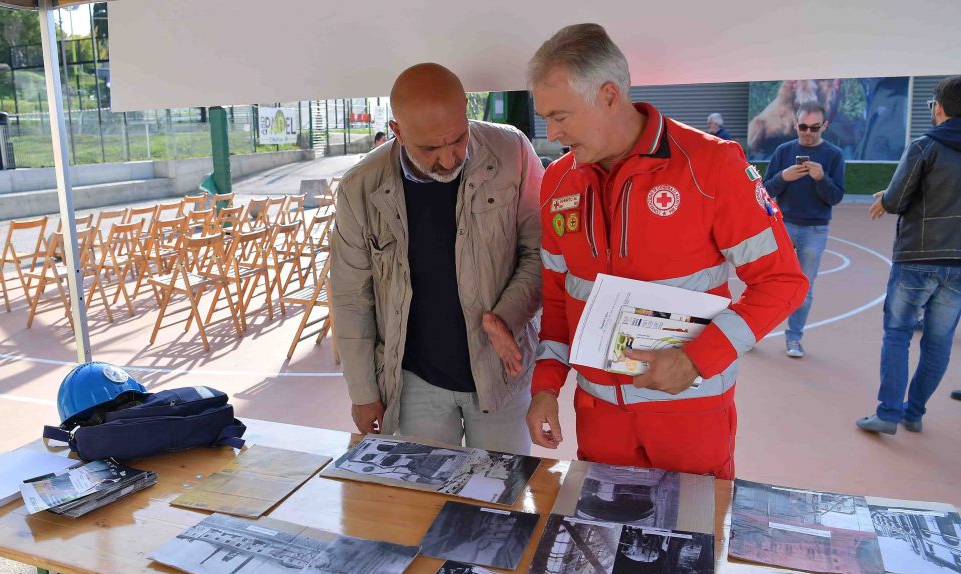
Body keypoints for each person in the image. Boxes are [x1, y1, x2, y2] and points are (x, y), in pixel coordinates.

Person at [525, 24, 807, 478]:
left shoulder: (711, 164)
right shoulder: (558, 181)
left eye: (560, 116)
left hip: (689, 418)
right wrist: (545, 388)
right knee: (599, 524)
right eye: (546, 118)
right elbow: (559, 300)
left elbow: (782, 282)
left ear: (609, 96)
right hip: (599, 421)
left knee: (695, 525)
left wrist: (698, 359)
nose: (552, 132)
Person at [330, 63, 544, 454]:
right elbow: (350, 297)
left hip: (502, 373)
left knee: (502, 487)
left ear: (467, 110)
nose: (448, 160)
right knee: (424, 489)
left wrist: (504, 319)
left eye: (459, 139)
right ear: (397, 131)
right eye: (429, 149)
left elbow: (540, 251)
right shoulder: (360, 188)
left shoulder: (512, 151)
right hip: (415, 381)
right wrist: (363, 392)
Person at [857, 76, 961, 435]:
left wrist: (886, 199)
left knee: (898, 333)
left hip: (918, 255)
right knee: (939, 342)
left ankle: (888, 414)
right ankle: (914, 412)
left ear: (939, 107)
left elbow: (898, 199)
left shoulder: (924, 146)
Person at [762, 101, 846, 358]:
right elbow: (764, 190)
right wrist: (783, 177)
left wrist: (821, 179)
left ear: (825, 126)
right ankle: (753, 332)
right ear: (795, 124)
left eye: (814, 127)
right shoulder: (784, 151)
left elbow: (835, 197)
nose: (808, 132)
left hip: (815, 230)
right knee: (767, 281)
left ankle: (794, 338)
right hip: (783, 225)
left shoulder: (833, 155)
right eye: (803, 127)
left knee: (804, 289)